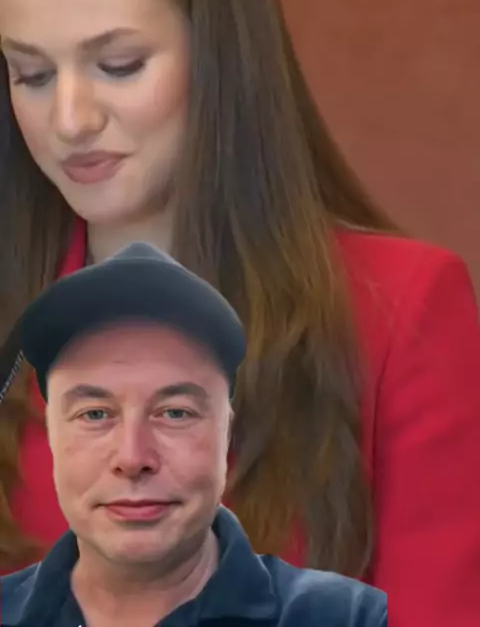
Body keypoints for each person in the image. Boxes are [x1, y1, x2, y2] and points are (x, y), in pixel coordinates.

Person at [0, 0, 478, 627]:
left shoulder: (402, 311)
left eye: (119, 64)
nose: (71, 119)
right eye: (32, 74)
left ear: (222, 55)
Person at [1, 241, 387, 627]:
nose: (133, 458)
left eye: (175, 413)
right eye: (96, 414)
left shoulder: (350, 618)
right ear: (51, 433)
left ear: (227, 432)